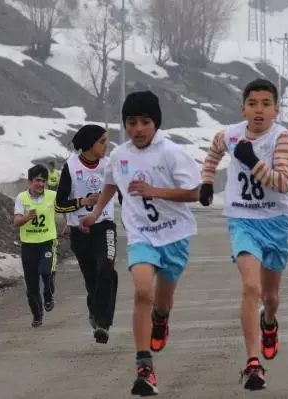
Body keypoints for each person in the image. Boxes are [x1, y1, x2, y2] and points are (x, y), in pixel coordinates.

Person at [80, 91, 200, 396]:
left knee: (162, 300)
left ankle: (161, 319)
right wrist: (95, 214)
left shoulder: (171, 153)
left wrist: (155, 191)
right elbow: (110, 182)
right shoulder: (119, 156)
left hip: (174, 235)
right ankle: (144, 366)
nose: (138, 128)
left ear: (155, 123)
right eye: (131, 122)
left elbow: (197, 192)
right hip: (141, 235)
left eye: (145, 121)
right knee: (143, 290)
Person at [199, 78, 288, 391]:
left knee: (270, 296)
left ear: (275, 110)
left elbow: (282, 182)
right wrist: (207, 182)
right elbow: (213, 152)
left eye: (266, 104)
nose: (259, 110)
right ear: (243, 108)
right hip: (241, 218)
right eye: (252, 103)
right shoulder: (230, 135)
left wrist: (251, 160)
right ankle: (253, 363)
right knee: (250, 287)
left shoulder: (280, 138)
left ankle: (270, 323)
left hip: (274, 220)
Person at [54, 124, 119, 344]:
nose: (106, 145)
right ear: (90, 144)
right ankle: (95, 311)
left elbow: (122, 192)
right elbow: (59, 204)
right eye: (102, 141)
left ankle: (103, 324)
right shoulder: (71, 167)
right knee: (93, 279)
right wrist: (83, 202)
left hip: (104, 225)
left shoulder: (109, 165)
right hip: (80, 231)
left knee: (106, 268)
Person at [14, 165, 58, 328]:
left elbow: (67, 206)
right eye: (37, 180)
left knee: (46, 272)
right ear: (29, 182)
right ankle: (37, 315)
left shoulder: (52, 196)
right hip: (28, 245)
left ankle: (48, 295)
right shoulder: (21, 198)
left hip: (47, 242)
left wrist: (69, 223)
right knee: (31, 286)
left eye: (43, 181)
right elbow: (16, 222)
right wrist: (27, 217)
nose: (41, 184)